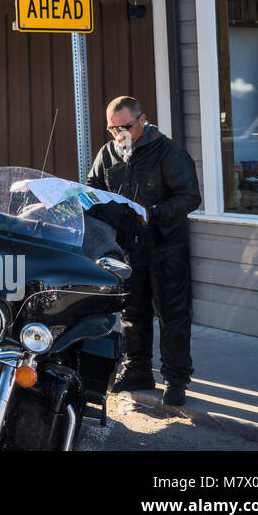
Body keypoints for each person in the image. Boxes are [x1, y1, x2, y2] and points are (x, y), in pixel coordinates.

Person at [87, 96, 200, 406]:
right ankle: (138, 370)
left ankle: (176, 380)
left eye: (124, 126)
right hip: (129, 247)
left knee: (173, 316)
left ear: (142, 120)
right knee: (132, 314)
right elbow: (93, 186)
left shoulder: (168, 151)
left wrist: (153, 213)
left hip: (167, 246)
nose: (118, 133)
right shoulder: (109, 152)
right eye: (112, 128)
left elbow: (190, 197)